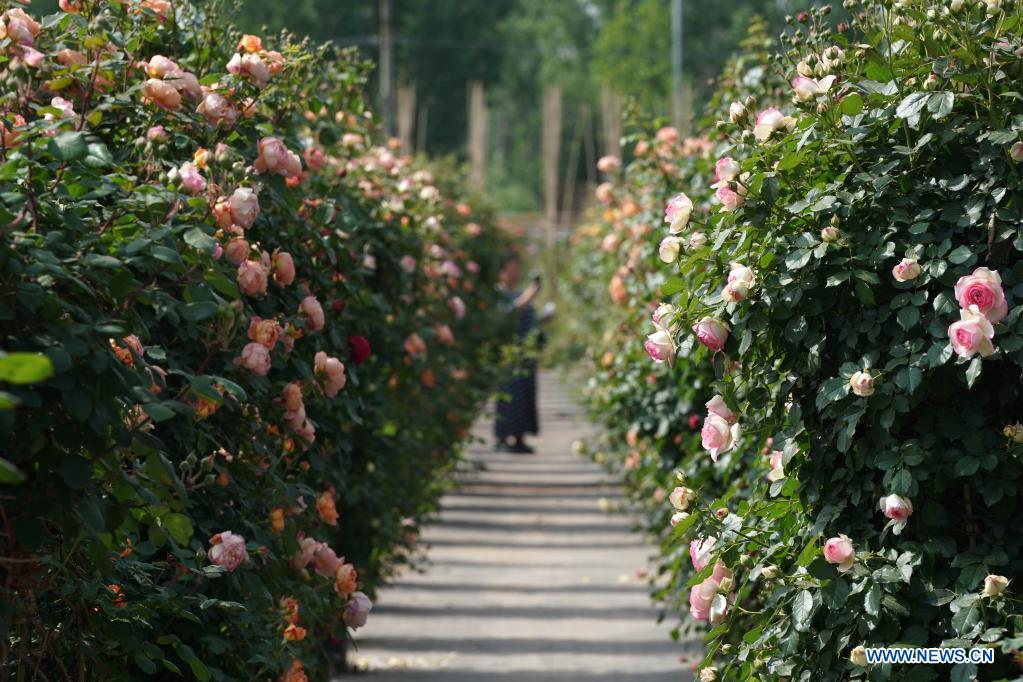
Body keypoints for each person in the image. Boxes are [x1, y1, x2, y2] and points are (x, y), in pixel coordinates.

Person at [494, 253, 542, 454]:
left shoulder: (520, 293)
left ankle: (520, 438)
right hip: (508, 353)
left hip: (526, 354)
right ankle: (503, 438)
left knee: (525, 396)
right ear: (501, 272)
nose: (514, 274)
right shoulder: (499, 294)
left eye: (517, 269)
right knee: (508, 395)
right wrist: (528, 296)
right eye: (510, 269)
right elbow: (507, 315)